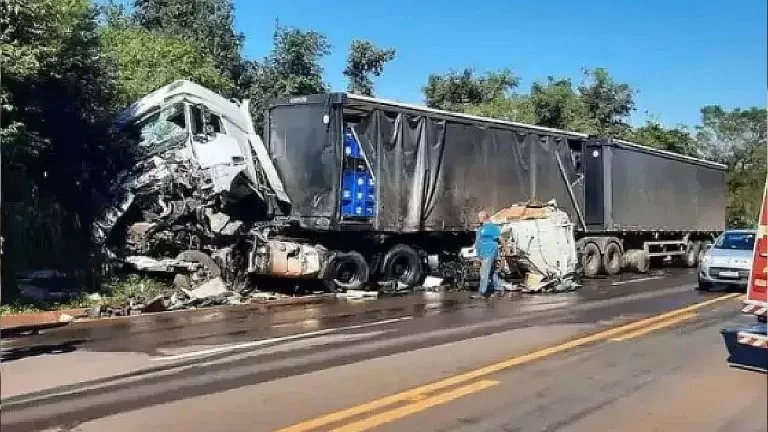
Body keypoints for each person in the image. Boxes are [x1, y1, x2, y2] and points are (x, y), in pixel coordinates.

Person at [474, 211, 503, 297]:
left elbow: (500, 239)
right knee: (492, 272)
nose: (479, 218)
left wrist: (507, 250)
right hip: (482, 253)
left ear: (484, 217)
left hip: (489, 252)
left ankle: (482, 292)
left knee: (484, 273)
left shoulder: (492, 227)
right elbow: (478, 242)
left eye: (480, 217)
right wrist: (478, 255)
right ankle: (499, 289)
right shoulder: (481, 228)